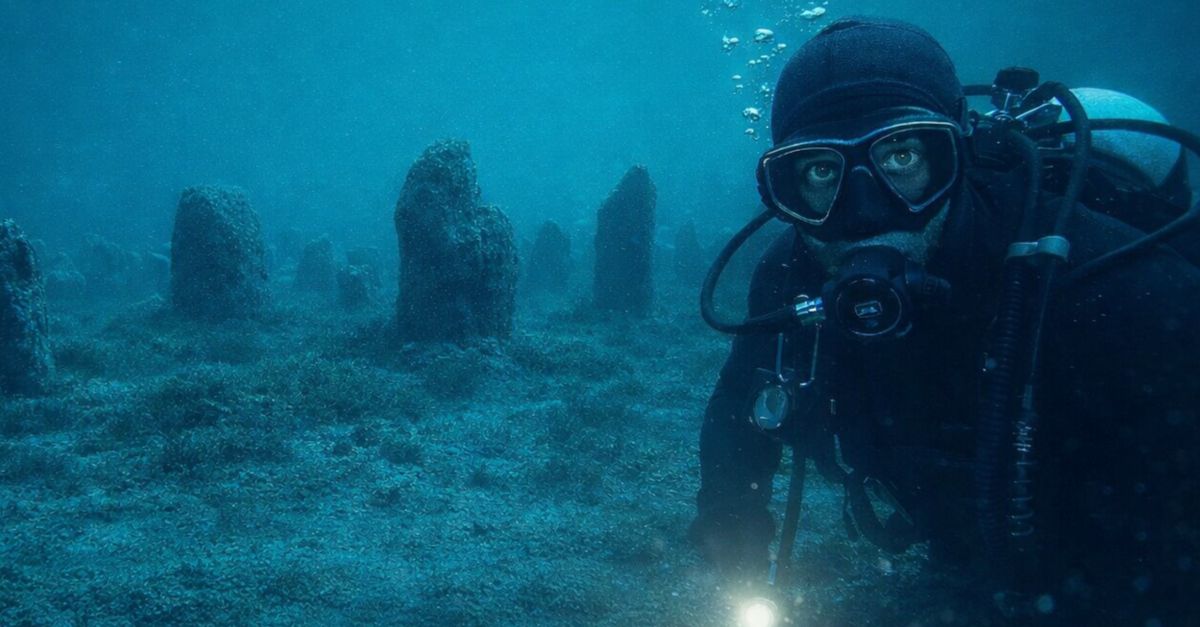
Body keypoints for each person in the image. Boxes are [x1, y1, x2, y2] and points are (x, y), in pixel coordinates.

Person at [690, 16, 1200, 623]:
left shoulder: (1112, 285)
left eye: (901, 154)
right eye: (821, 171)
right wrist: (732, 548)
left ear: (958, 150)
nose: (864, 213)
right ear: (786, 187)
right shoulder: (788, 275)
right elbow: (736, 417)